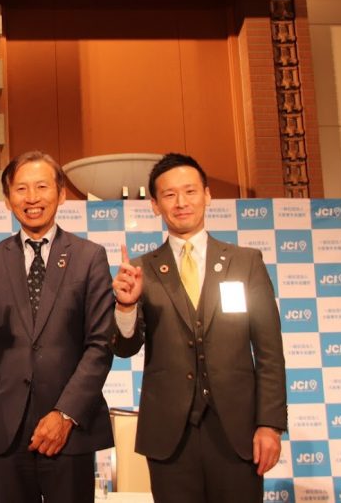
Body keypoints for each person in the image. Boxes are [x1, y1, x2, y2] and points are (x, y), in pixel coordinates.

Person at [111, 152, 287, 503]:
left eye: (190, 191)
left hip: (237, 432)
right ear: (155, 205)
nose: (181, 202)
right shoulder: (142, 269)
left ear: (207, 195)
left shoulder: (246, 262)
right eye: (169, 194)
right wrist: (126, 306)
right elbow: (125, 347)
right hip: (170, 436)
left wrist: (269, 424)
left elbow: (269, 352)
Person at [0, 150, 115, 503]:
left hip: (70, 428)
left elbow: (101, 344)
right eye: (21, 188)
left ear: (61, 194)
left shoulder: (90, 257)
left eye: (42, 187)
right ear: (7, 199)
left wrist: (65, 414)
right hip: (5, 429)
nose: (32, 198)